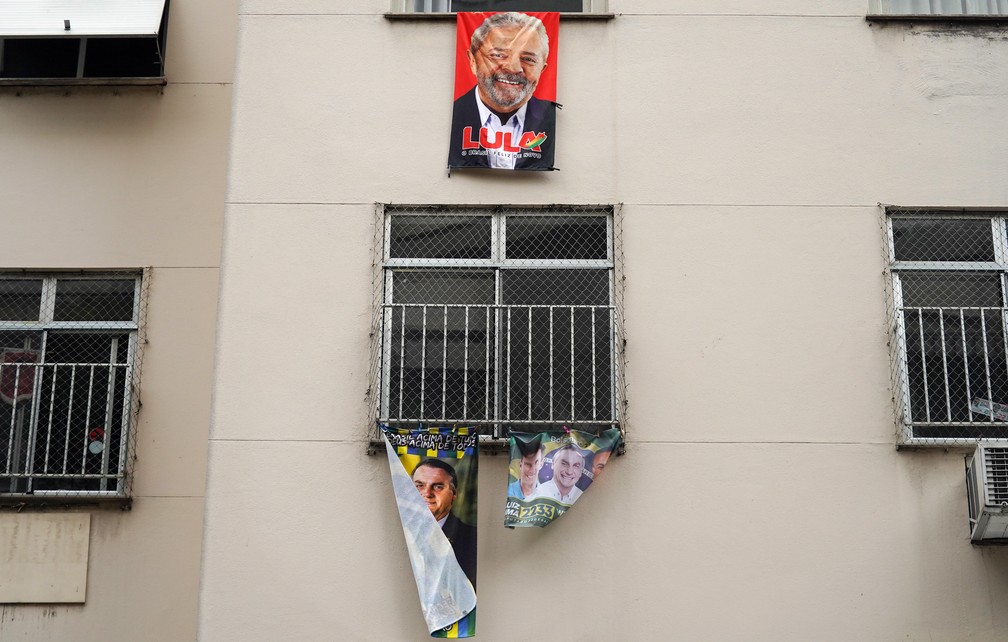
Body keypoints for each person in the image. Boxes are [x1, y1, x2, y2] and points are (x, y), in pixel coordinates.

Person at [448, 12, 555, 170]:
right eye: (498, 55)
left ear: (542, 69)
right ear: (472, 61)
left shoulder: (550, 119)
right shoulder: (454, 114)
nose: (513, 68)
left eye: (528, 59)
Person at [412, 458, 477, 586]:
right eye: (419, 485)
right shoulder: (399, 530)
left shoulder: (472, 538)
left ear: (453, 493)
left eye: (437, 486)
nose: (427, 493)